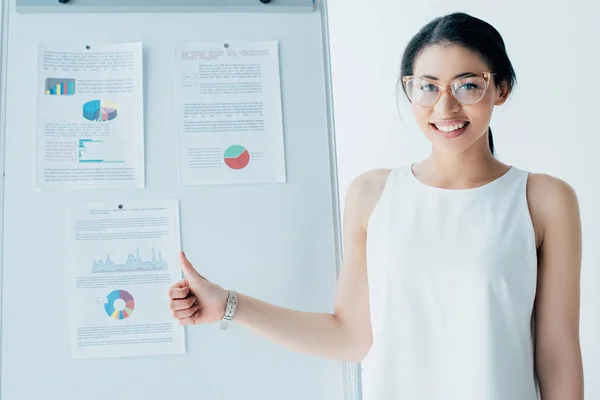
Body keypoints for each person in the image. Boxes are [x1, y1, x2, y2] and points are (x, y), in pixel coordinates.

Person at [168, 12, 584, 400]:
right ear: (410, 91)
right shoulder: (372, 193)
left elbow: (557, 355)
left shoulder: (544, 199)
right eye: (428, 86)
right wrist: (228, 306)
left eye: (467, 84)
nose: (445, 107)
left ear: (501, 89)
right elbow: (350, 337)